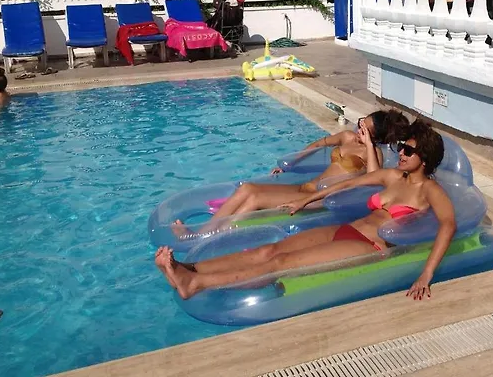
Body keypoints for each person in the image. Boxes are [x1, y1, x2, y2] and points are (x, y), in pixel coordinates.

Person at [156, 120, 456, 300]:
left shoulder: (430, 191)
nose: (401, 153)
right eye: (401, 147)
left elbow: (447, 225)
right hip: (348, 229)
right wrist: (306, 200)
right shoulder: (393, 177)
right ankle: (189, 268)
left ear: (425, 158)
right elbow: (349, 184)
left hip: (370, 245)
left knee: (282, 263)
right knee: (269, 250)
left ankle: (195, 284)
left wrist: (426, 274)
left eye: (408, 150)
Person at [172, 109, 410, 236]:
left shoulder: (373, 155)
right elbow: (318, 144)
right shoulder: (347, 137)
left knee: (254, 200)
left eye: (365, 130)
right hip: (306, 186)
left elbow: (372, 181)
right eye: (361, 123)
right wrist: (291, 163)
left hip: (320, 198)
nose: (359, 130)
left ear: (374, 137)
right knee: (248, 188)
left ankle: (212, 237)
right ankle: (204, 232)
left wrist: (368, 145)